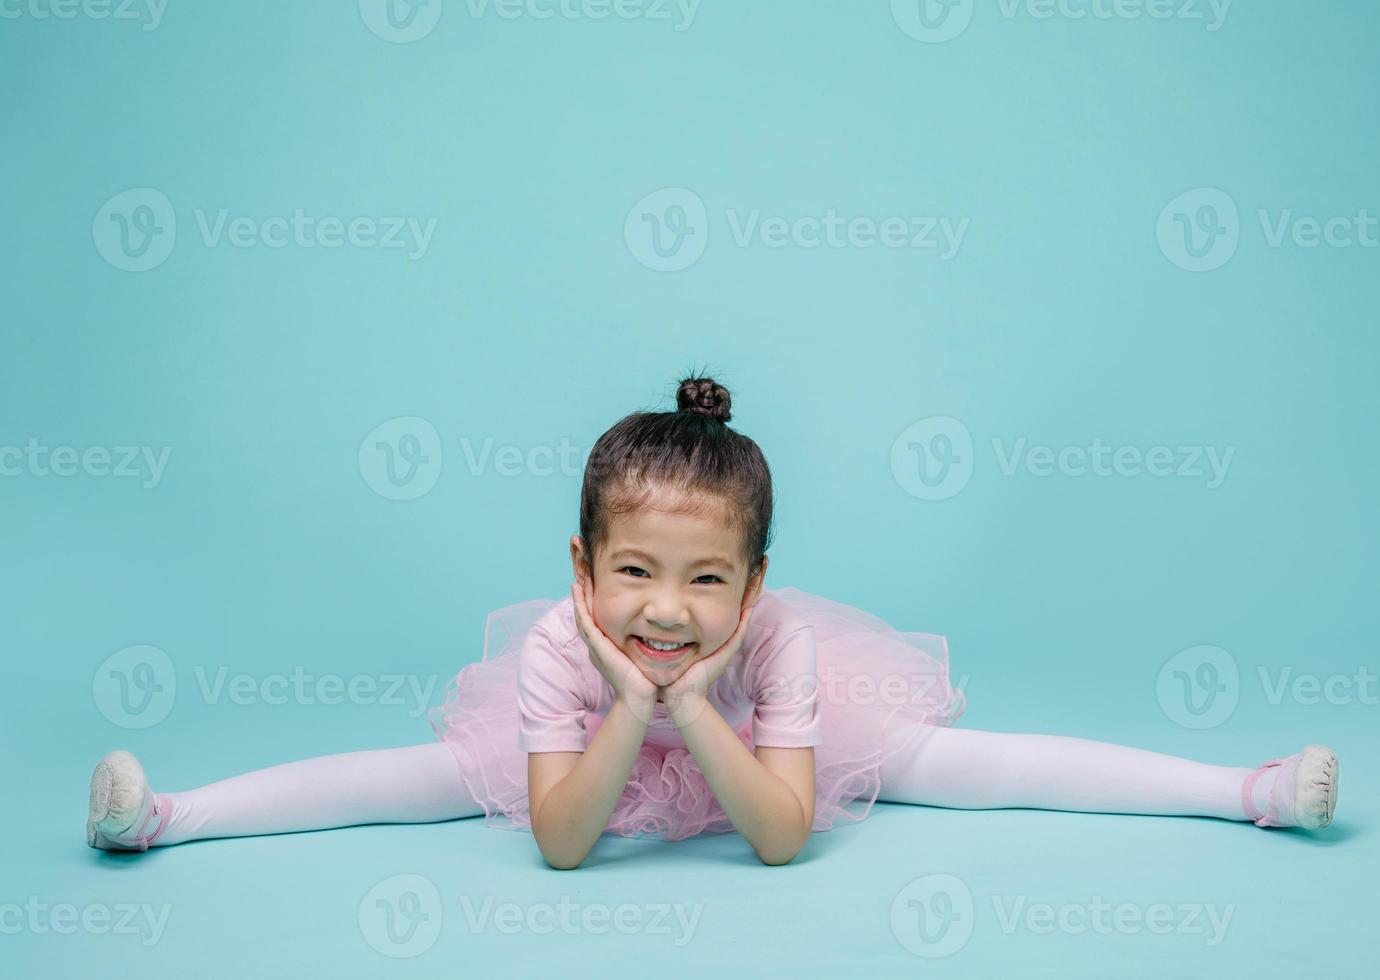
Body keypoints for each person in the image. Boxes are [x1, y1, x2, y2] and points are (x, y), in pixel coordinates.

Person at [86, 374, 1340, 867]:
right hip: (604, 753)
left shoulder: (777, 640)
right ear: (581, 568)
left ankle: (1249, 786)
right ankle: (169, 817)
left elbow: (784, 838)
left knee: (974, 764)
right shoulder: (558, 644)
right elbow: (565, 846)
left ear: (753, 583)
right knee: (408, 778)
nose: (664, 609)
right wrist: (633, 698)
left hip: (758, 746)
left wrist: (693, 695)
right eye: (631, 572)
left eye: (703, 581)